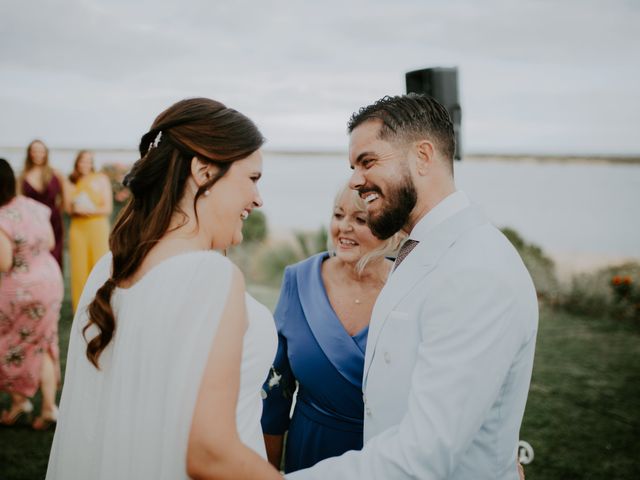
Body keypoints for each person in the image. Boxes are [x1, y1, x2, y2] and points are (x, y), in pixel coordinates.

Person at [288, 94, 538, 479]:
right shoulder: (419, 248)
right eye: (353, 166)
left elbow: (424, 454)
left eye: (368, 161)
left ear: (423, 156)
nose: (355, 181)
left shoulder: (475, 271)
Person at [46, 98, 282, 480]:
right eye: (252, 178)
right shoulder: (210, 277)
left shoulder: (110, 267)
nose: (258, 198)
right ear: (204, 171)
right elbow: (210, 454)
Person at [261, 184, 404, 472]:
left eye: (360, 220)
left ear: (390, 227)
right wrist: (268, 471)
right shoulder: (298, 281)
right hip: (310, 453)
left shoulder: (407, 287)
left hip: (385, 456)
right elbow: (275, 393)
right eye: (339, 215)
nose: (344, 228)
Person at [0, 158, 63, 430]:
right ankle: (49, 408)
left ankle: (19, 402)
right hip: (50, 282)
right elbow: (49, 241)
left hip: (21, 290)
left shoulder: (1, 218)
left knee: (8, 344)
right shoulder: (34, 207)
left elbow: (4, 263)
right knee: (44, 343)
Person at [66, 150, 113, 312]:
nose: (85, 164)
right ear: (77, 163)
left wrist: (88, 211)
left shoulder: (101, 179)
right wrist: (75, 210)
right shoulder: (71, 182)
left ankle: (102, 306)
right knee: (79, 270)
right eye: (82, 161)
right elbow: (67, 208)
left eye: (89, 161)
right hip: (78, 229)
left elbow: (107, 208)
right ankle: (80, 309)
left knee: (100, 266)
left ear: (93, 163)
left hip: (97, 227)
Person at [19, 139, 65, 270]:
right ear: (29, 153)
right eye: (34, 151)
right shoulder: (22, 177)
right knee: (34, 260)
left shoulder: (56, 174)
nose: (38, 154)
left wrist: (54, 212)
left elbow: (65, 200)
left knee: (55, 259)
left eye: (41, 151)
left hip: (54, 223)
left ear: (46, 153)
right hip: (31, 223)